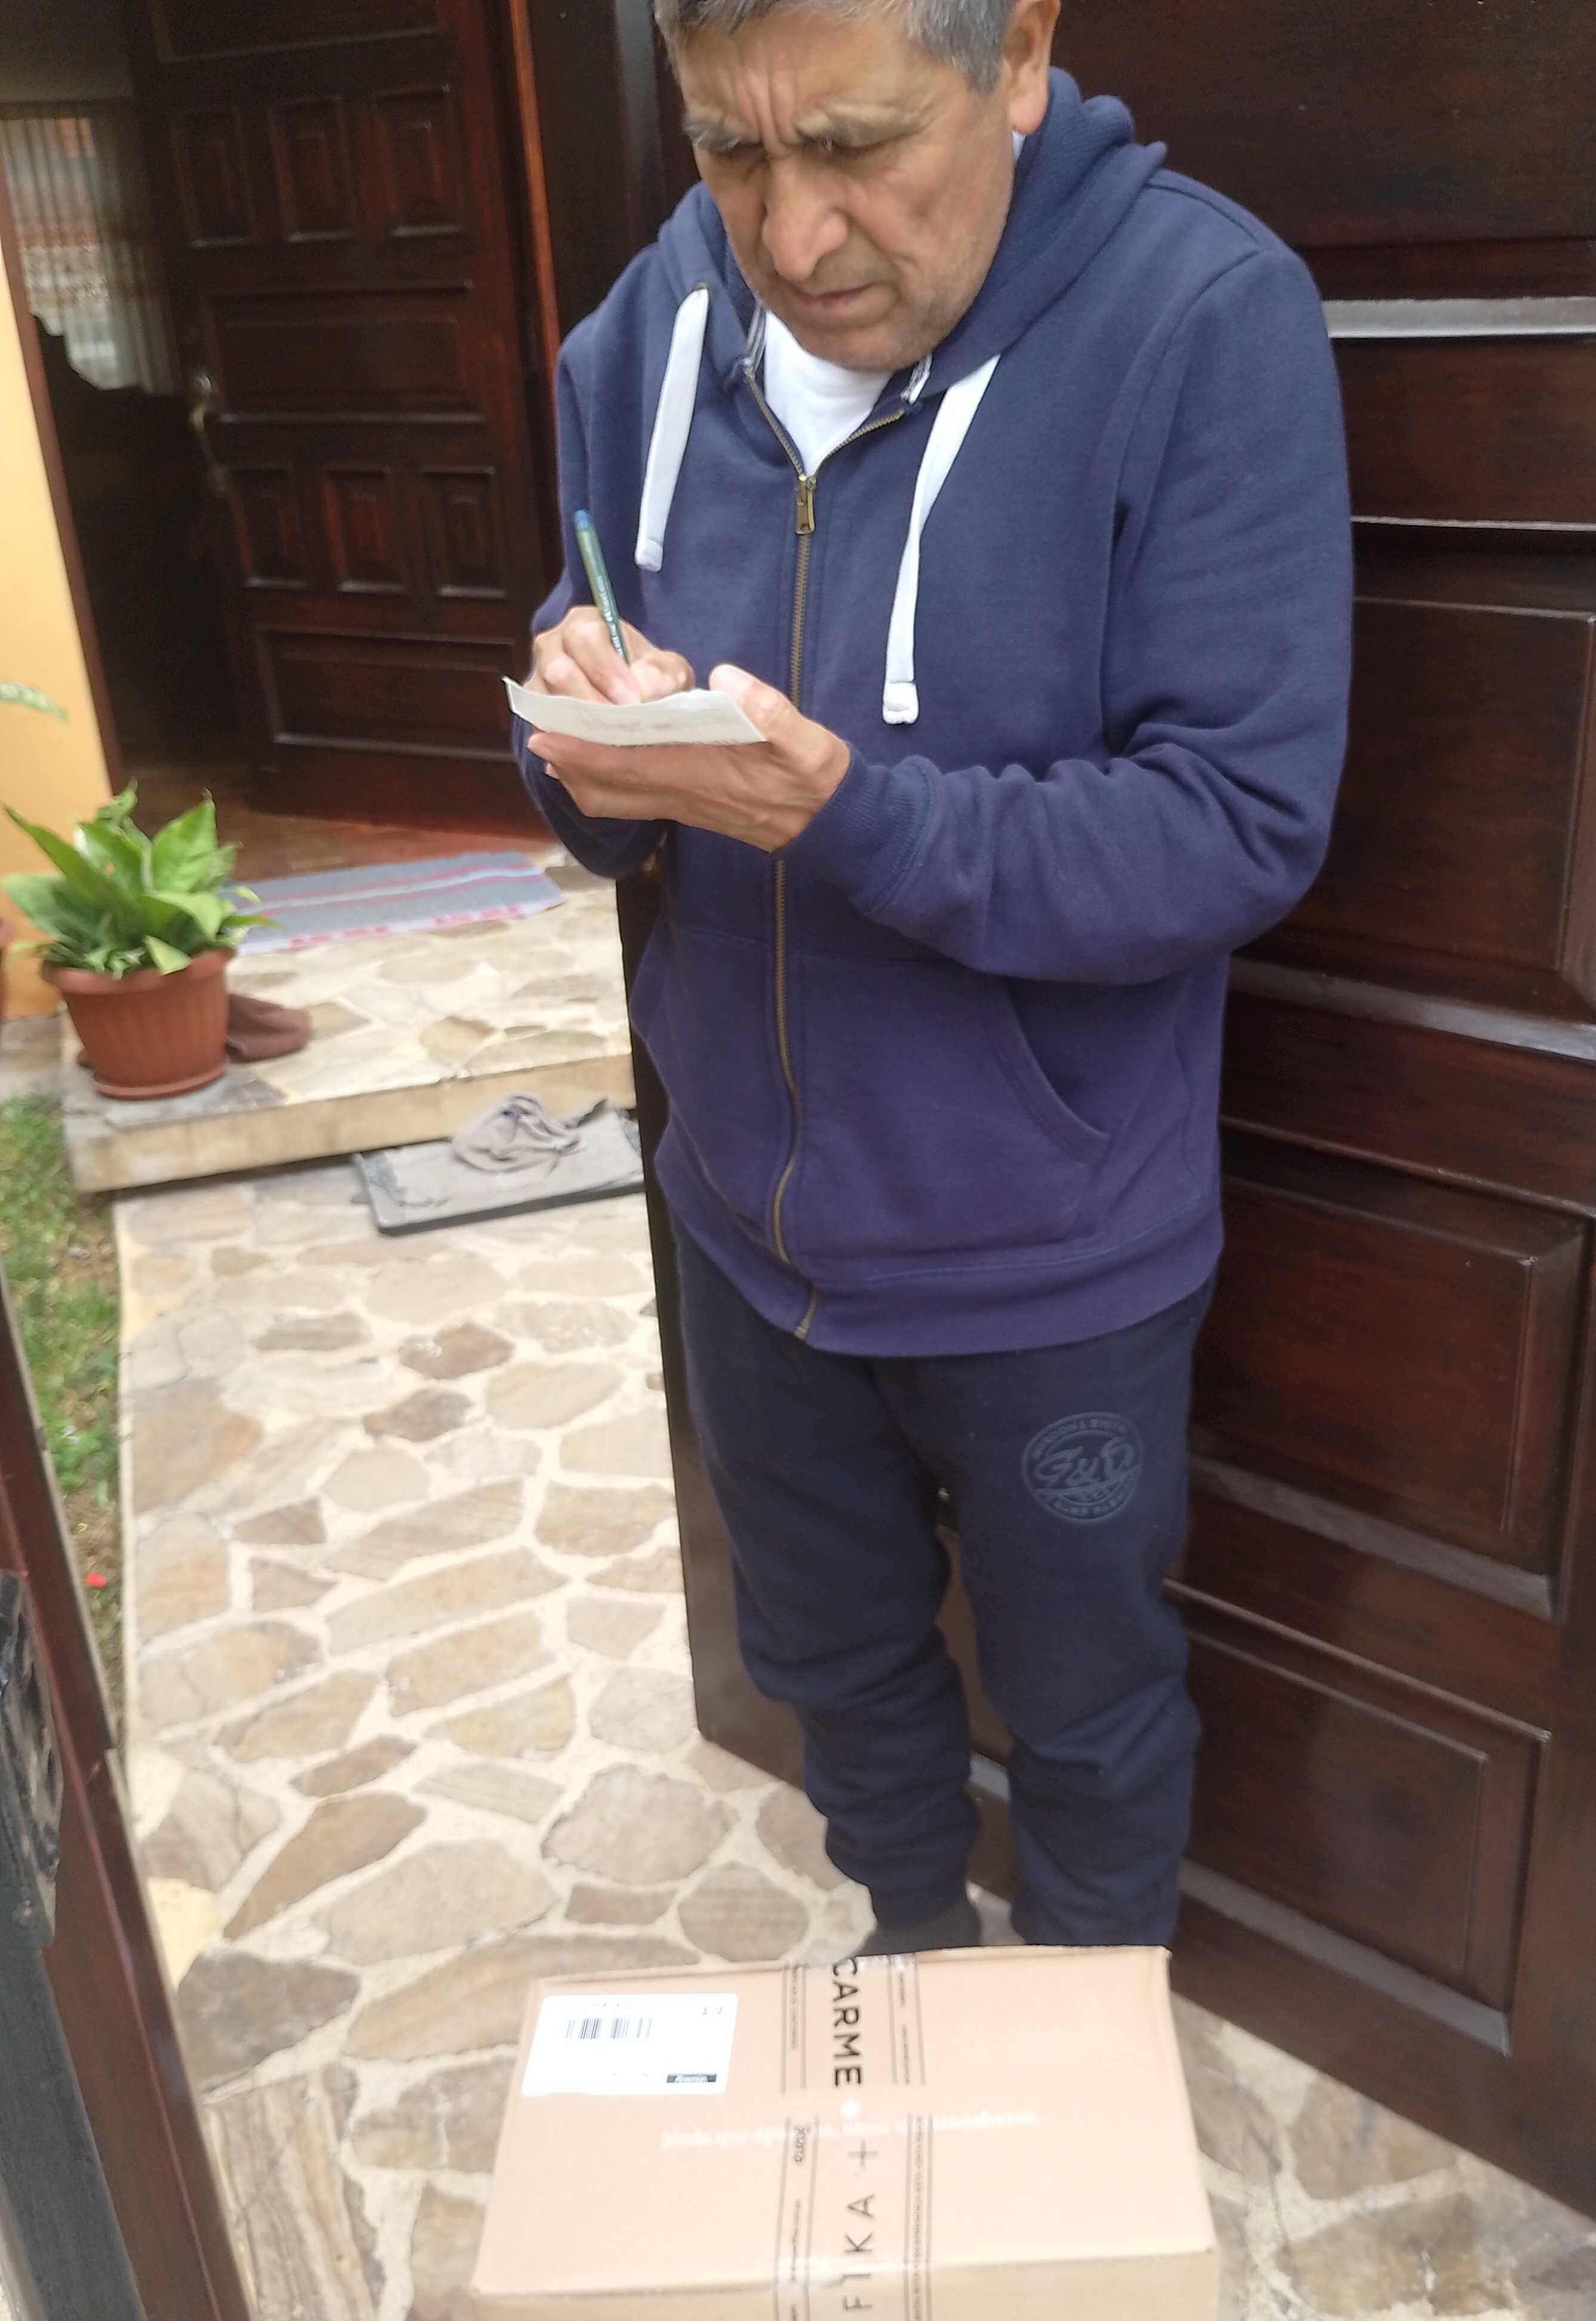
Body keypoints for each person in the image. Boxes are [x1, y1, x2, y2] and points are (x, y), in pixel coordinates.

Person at [512, 0, 1352, 1955]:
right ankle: (906, 1955)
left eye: (858, 144)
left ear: (1022, 51)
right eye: (730, 150)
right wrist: (576, 725)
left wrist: (850, 818)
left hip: (1053, 1252)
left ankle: (1083, 2040)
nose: (792, 235)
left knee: (1089, 1706)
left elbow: (1238, 822)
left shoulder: (1201, 316)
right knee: (830, 1660)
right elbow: (579, 648)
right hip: (743, 1222)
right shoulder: (649, 326)